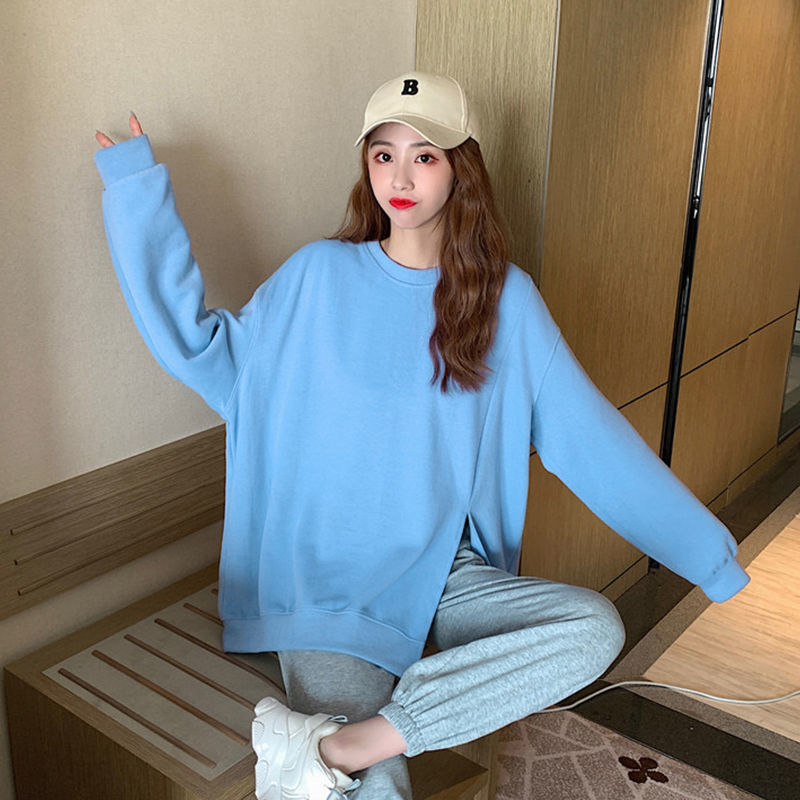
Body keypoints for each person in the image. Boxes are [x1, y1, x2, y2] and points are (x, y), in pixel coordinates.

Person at [94, 72, 750, 800]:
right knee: (381, 791)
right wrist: (135, 193)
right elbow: (202, 351)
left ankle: (337, 745)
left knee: (593, 629)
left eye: (424, 156)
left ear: (461, 168)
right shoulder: (317, 277)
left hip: (445, 574)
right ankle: (360, 748)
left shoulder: (504, 300)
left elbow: (592, 441)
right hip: (329, 583)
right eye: (383, 155)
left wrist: (710, 558)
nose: (400, 178)